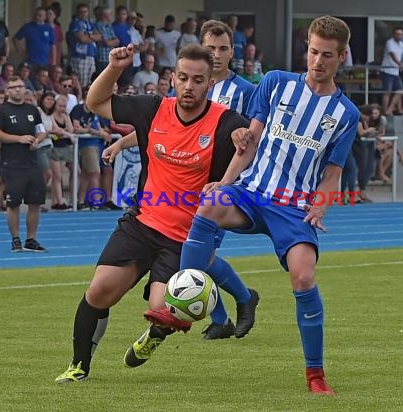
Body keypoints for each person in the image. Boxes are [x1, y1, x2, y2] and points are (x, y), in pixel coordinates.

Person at [178, 16, 359, 394]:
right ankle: (179, 305)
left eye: (327, 55)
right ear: (306, 48)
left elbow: (332, 173)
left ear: (341, 56)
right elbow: (249, 142)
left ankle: (315, 374)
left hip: (293, 209)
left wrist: (321, 205)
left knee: (304, 277)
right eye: (312, 51)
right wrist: (225, 181)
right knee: (209, 203)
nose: (317, 61)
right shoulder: (276, 83)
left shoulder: (346, 115)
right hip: (251, 192)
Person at [54, 44, 256, 383]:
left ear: (210, 84)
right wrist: (115, 68)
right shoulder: (152, 108)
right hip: (143, 224)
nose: (189, 86)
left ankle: (156, 335)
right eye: (183, 78)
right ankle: (79, 367)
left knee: (165, 312)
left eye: (198, 80)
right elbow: (95, 103)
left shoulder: (226, 122)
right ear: (172, 78)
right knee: (100, 290)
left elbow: (249, 147)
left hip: (184, 239)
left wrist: (238, 151)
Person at [121, 19, 257, 340]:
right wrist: (118, 143)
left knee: (197, 256)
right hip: (181, 185)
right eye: (211, 48)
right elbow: (160, 129)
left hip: (219, 187)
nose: (218, 53)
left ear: (231, 51)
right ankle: (227, 313)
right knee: (196, 258)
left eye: (223, 48)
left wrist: (242, 136)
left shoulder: (246, 91)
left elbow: (253, 132)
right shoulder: (189, 85)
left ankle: (238, 303)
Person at [0, 76, 48, 252]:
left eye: (20, 86)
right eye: (13, 87)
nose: (17, 90)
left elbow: (42, 131)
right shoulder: (1, 111)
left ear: (24, 89)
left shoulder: (32, 110)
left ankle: (31, 239)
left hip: (32, 162)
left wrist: (37, 141)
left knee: (35, 203)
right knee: (13, 204)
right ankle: (15, 239)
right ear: (7, 90)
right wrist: (19, 139)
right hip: (12, 163)